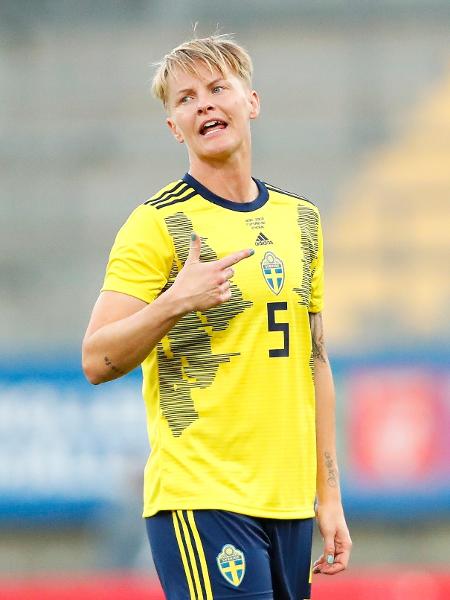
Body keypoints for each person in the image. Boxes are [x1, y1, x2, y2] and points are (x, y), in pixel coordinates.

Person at [82, 34, 352, 599]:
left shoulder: (301, 220)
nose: (203, 104)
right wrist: (175, 301)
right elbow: (97, 358)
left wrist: (329, 497)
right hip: (202, 496)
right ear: (173, 127)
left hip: (287, 503)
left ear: (250, 101)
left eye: (216, 88)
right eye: (185, 98)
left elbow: (315, 361)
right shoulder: (156, 223)